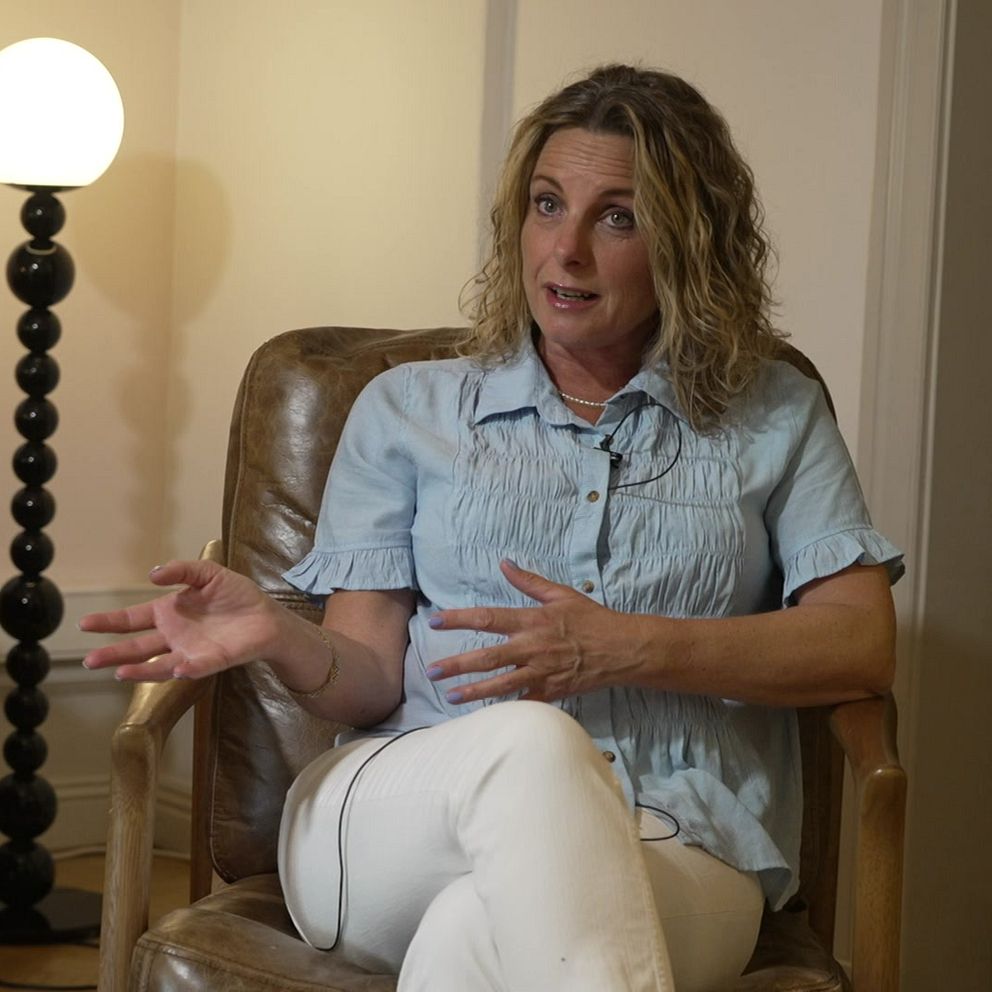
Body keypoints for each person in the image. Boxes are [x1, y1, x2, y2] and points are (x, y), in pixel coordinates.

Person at [81, 65, 903, 991]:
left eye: (618, 218)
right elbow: (367, 676)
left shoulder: (776, 415)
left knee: (476, 935)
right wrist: (278, 634)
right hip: (398, 818)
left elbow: (860, 644)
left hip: (681, 842)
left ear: (690, 243)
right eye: (547, 206)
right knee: (532, 745)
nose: (567, 251)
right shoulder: (408, 409)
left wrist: (623, 647)